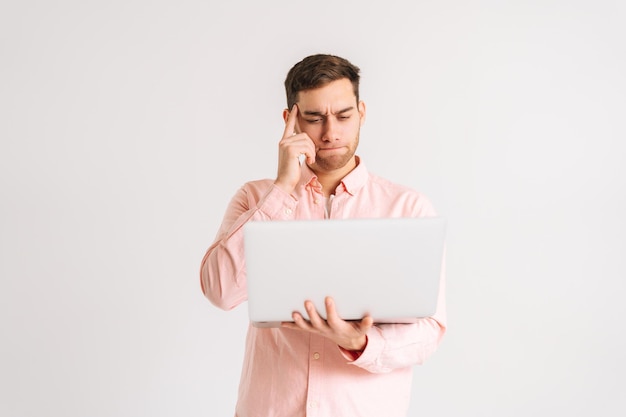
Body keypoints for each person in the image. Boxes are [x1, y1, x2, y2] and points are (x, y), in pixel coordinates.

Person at [200, 54, 446, 417]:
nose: (330, 132)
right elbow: (220, 291)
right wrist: (283, 188)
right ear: (290, 120)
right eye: (314, 118)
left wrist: (361, 342)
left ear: (362, 112)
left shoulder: (407, 207)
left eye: (344, 116)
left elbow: (429, 332)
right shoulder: (255, 199)